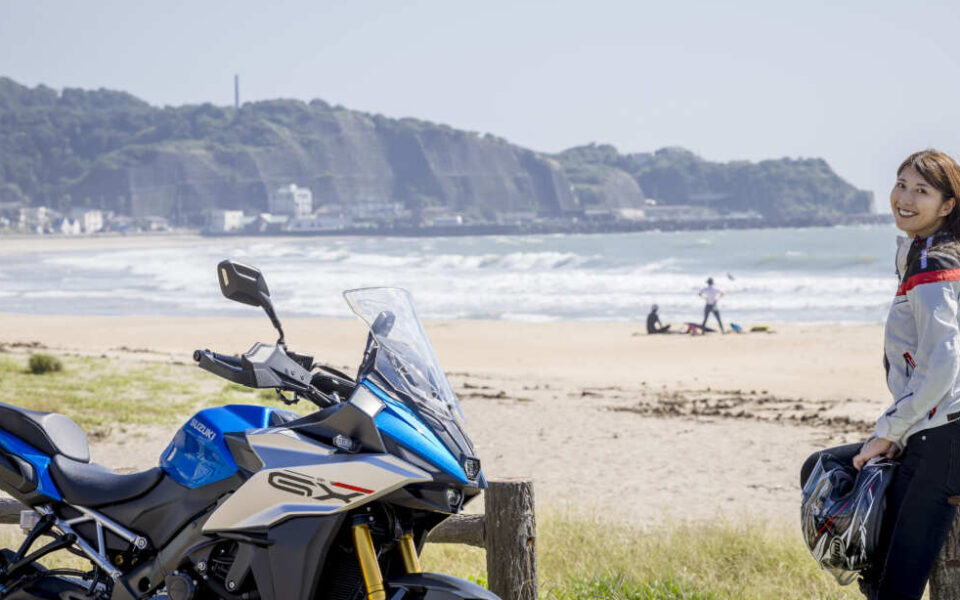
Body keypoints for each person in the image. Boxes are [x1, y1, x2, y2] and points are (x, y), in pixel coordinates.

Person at [800, 149, 960, 600]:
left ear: (947, 205)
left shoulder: (936, 263)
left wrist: (888, 433)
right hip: (931, 429)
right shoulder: (920, 251)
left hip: (943, 436)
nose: (905, 198)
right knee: (823, 467)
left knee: (895, 587)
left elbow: (944, 363)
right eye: (901, 184)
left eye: (922, 191)